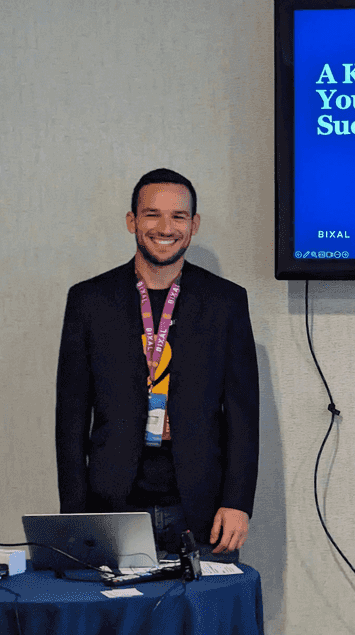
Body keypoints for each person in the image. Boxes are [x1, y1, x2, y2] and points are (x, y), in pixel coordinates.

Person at [56, 169, 259, 562]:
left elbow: (242, 416)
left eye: (179, 216)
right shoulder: (88, 301)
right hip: (111, 506)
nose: (165, 227)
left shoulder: (226, 302)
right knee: (119, 621)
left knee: (197, 621)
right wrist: (74, 513)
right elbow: (70, 419)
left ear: (194, 225)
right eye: (152, 214)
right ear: (132, 221)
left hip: (202, 511)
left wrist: (238, 502)